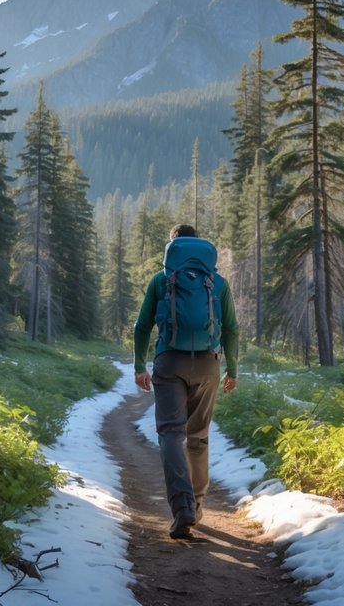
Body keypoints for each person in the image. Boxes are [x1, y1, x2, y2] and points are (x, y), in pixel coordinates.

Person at [133, 223, 238, 540]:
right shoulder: (216, 282)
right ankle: (198, 504)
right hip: (208, 364)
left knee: (170, 434)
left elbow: (142, 327)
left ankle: (182, 509)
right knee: (198, 436)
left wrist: (140, 365)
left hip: (169, 362)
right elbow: (231, 329)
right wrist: (232, 369)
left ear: (172, 246)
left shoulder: (161, 280)